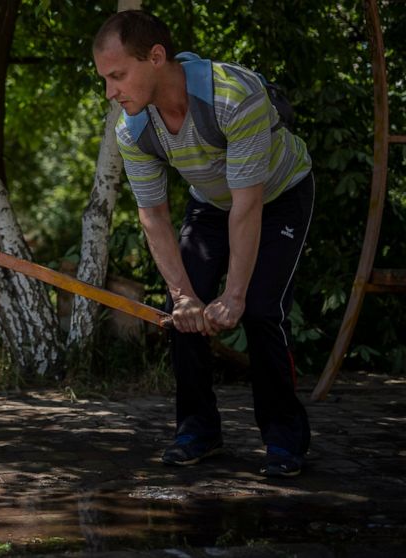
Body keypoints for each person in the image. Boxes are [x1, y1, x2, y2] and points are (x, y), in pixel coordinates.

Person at [93, 11, 314, 477]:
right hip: (212, 203)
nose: (111, 92)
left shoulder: (233, 95)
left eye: (118, 76)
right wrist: (183, 296)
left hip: (277, 197)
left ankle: (284, 436)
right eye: (105, 79)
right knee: (183, 314)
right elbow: (153, 215)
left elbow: (248, 204)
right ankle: (198, 429)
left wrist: (234, 295)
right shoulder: (132, 129)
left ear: (156, 57)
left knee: (260, 309)